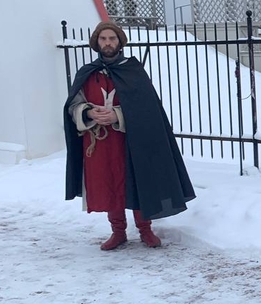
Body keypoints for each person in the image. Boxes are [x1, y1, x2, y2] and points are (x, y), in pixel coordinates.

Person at [64, 21, 195, 250]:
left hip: (131, 140)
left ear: (120, 42)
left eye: (112, 39)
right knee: (109, 184)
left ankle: (145, 229)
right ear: (96, 42)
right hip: (100, 141)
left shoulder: (133, 70)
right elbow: (73, 104)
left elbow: (147, 107)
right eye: (103, 39)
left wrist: (117, 115)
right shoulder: (87, 73)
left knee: (137, 181)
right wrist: (89, 112)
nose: (107, 43)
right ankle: (118, 232)